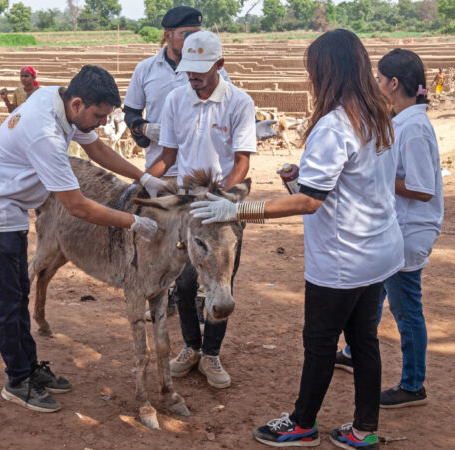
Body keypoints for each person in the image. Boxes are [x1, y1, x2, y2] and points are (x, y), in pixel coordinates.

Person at [191, 30, 404, 448]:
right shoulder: (378, 114)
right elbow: (339, 189)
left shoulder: (336, 125)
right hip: (378, 250)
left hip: (343, 258)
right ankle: (364, 430)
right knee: (364, 341)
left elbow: (310, 203)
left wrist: (236, 209)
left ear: (326, 73)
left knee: (320, 342)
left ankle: (303, 422)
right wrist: (299, 181)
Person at [0, 65, 169, 413]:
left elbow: (97, 149)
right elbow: (78, 206)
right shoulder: (45, 134)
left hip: (9, 206)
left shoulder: (57, 98)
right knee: (8, 300)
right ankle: (17, 380)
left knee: (19, 292)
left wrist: (144, 177)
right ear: (77, 104)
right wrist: (134, 222)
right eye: (98, 115)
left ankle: (28, 367)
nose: (101, 122)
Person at [147, 31, 257, 389]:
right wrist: (143, 182)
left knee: (221, 282)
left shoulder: (239, 102)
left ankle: (212, 353)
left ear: (219, 65)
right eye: (188, 68)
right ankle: (191, 347)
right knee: (183, 281)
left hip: (224, 207)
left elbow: (242, 161)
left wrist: (224, 199)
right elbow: (168, 157)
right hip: (186, 208)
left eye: (200, 70)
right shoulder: (176, 99)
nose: (192, 76)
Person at [335, 49, 443, 409]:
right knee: (375, 288)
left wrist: (378, 179)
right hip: (399, 226)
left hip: (410, 230)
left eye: (380, 79)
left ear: (393, 83)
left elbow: (423, 188)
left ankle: (413, 385)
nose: (377, 85)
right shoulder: (403, 120)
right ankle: (353, 351)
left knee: (406, 307)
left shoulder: (412, 128)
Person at [123, 6, 231, 180]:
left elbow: (230, 102)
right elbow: (130, 112)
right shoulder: (145, 69)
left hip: (205, 174)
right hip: (163, 170)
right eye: (186, 35)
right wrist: (144, 128)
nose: (193, 42)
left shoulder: (212, 69)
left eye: (197, 36)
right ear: (168, 35)